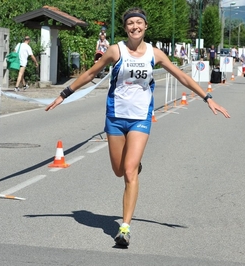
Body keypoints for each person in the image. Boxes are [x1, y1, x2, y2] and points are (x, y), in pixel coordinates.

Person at [45, 7, 230, 247]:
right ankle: (134, 164)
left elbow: (182, 77)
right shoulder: (116, 50)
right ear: (125, 28)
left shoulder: (155, 53)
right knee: (119, 171)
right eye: (130, 23)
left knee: (130, 172)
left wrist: (207, 98)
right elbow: (91, 73)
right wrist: (64, 94)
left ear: (145, 27)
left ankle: (124, 228)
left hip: (141, 118)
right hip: (115, 116)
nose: (135, 26)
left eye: (139, 23)